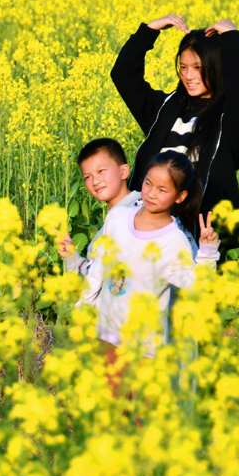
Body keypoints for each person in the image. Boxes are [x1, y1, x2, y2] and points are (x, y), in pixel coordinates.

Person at [110, 14, 239, 251]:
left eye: (198, 67)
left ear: (216, 67)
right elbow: (123, 75)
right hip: (146, 230)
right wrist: (150, 30)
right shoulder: (164, 110)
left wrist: (233, 38)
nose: (188, 75)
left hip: (200, 236)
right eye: (183, 67)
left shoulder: (230, 119)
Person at [78, 151, 219, 388]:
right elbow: (99, 269)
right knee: (106, 414)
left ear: (180, 196)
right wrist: (84, 307)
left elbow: (197, 287)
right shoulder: (117, 217)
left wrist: (207, 252)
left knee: (142, 419)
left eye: (162, 190)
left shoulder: (175, 240)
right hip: (106, 334)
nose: (151, 194)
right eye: (147, 183)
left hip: (145, 348)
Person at [56, 138, 142, 275]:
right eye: (87, 177)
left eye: (101, 170)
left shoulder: (146, 208)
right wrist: (71, 256)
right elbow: (93, 285)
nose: (95, 181)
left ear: (124, 172)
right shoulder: (100, 238)